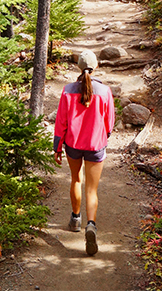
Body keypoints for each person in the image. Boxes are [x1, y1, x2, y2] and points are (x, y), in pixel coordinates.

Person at [54, 50, 115, 256]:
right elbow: (109, 123)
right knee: (92, 189)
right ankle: (91, 224)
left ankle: (75, 219)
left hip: (73, 144)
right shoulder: (105, 91)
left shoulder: (67, 90)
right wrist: (104, 135)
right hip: (95, 145)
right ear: (95, 66)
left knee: (75, 180)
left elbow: (61, 121)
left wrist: (57, 145)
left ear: (78, 67)